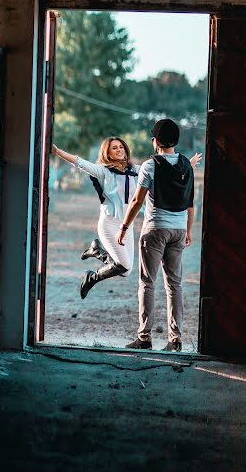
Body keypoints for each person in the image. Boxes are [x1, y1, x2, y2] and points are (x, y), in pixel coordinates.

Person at [51, 137, 200, 300]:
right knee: (123, 264)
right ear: (107, 152)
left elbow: (165, 173)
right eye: (114, 148)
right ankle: (91, 277)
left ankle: (96, 250)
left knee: (126, 271)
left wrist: (187, 167)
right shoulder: (102, 171)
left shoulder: (137, 169)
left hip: (125, 226)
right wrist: (58, 152)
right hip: (109, 224)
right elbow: (79, 162)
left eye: (121, 146)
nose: (119, 150)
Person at [116, 118, 195, 352]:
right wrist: (188, 230)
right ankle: (175, 339)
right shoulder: (186, 166)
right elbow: (190, 204)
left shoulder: (150, 165)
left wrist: (124, 227)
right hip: (179, 230)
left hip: (155, 229)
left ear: (157, 142)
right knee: (175, 285)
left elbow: (137, 200)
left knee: (147, 284)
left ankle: (144, 337)